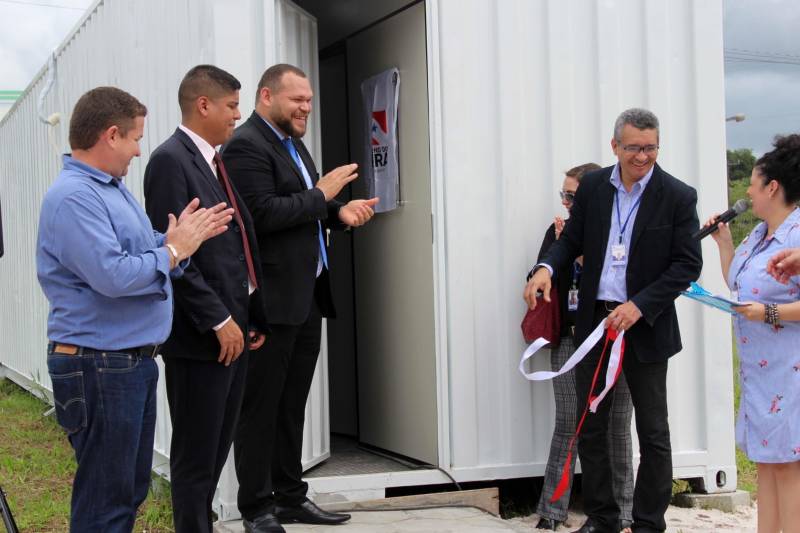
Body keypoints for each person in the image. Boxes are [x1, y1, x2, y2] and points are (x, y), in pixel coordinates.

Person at [36, 86, 233, 533]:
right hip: (100, 365)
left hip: (126, 364)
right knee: (107, 500)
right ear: (110, 135)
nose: (139, 150)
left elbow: (142, 254)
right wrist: (172, 252)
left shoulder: (113, 190)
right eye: (134, 138)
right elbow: (114, 276)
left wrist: (174, 244)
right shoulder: (75, 198)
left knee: (127, 491)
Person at [524, 108, 702, 533]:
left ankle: (646, 522)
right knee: (591, 425)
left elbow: (686, 265)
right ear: (615, 146)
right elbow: (569, 241)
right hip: (596, 326)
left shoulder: (677, 195)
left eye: (650, 148)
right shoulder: (592, 189)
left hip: (645, 325)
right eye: (634, 148)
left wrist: (639, 305)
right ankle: (602, 519)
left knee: (653, 431)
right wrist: (545, 268)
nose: (643, 157)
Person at [222, 63, 377, 533]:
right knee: (260, 408)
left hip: (307, 297)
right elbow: (262, 214)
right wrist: (320, 193)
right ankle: (256, 508)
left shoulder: (290, 142)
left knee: (291, 406)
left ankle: (290, 497)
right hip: (270, 302)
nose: (306, 107)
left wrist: (337, 211)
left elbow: (302, 205)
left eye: (308, 99)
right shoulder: (246, 146)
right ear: (266, 96)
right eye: (297, 100)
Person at [143, 65, 269, 533]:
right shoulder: (170, 161)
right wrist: (218, 319)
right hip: (201, 339)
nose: (238, 115)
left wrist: (249, 314)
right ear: (203, 105)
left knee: (216, 451)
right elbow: (175, 253)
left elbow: (233, 247)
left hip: (234, 331)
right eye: (232, 106)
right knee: (196, 458)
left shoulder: (215, 161)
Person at [705, 134, 800, 533]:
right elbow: (741, 285)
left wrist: (769, 312)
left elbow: (765, 304)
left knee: (789, 467)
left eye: (752, 184)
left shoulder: (795, 235)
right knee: (767, 463)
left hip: (789, 368)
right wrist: (724, 244)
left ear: (772, 187)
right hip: (759, 371)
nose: (746, 192)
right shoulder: (758, 234)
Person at [531, 163, 634, 531]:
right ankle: (551, 511)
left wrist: (581, 259)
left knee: (618, 425)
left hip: (613, 335)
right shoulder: (558, 230)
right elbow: (538, 277)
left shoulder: (616, 228)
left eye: (573, 195)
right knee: (569, 423)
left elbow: (623, 277)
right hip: (572, 339)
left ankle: (623, 513)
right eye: (564, 195)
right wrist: (559, 251)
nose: (567, 203)